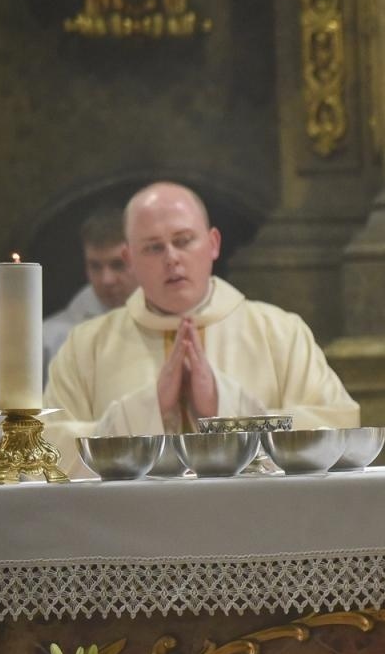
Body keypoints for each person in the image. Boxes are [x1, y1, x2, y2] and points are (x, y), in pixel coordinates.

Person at [45, 182, 358, 469]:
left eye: (183, 241)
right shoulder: (86, 347)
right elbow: (48, 451)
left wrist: (225, 407)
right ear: (130, 259)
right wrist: (146, 409)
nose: (172, 258)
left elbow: (339, 431)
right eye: (154, 247)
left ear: (213, 243)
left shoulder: (281, 333)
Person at [0, 207, 137, 480]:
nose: (106, 279)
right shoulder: (52, 337)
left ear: (137, 258)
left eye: (117, 265)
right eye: (95, 266)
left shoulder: (165, 328)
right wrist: (16, 490)